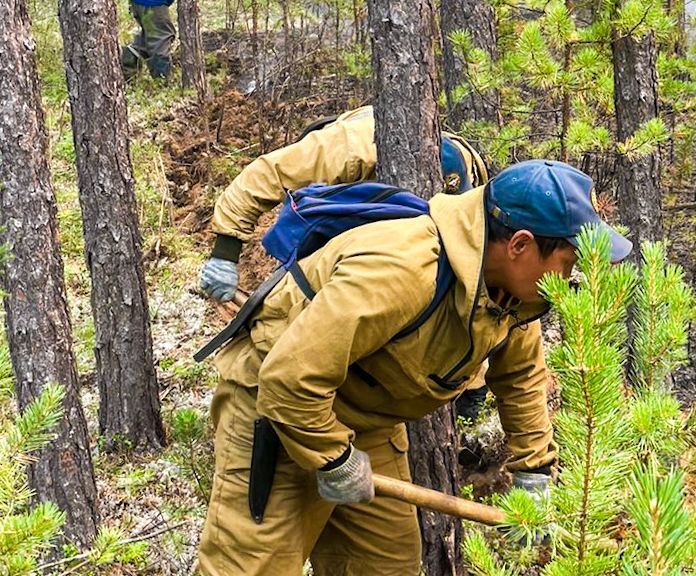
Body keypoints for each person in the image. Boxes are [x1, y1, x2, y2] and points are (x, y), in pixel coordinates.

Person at [158, 160, 631, 576]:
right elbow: (292, 377)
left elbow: (522, 371)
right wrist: (329, 458)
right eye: (569, 257)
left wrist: (535, 468)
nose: (577, 276)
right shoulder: (404, 269)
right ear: (521, 244)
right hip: (277, 405)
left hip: (364, 414)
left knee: (383, 557)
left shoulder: (514, 291)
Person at [199, 104, 492, 419]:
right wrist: (226, 255)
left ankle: (470, 394)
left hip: (432, 221)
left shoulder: (351, 148)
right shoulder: (346, 157)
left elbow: (471, 281)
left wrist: (474, 378)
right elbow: (268, 176)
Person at [121, 0, 176, 81]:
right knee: (161, 40)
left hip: (141, 3)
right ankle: (161, 82)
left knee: (149, 36)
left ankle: (129, 65)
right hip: (153, 4)